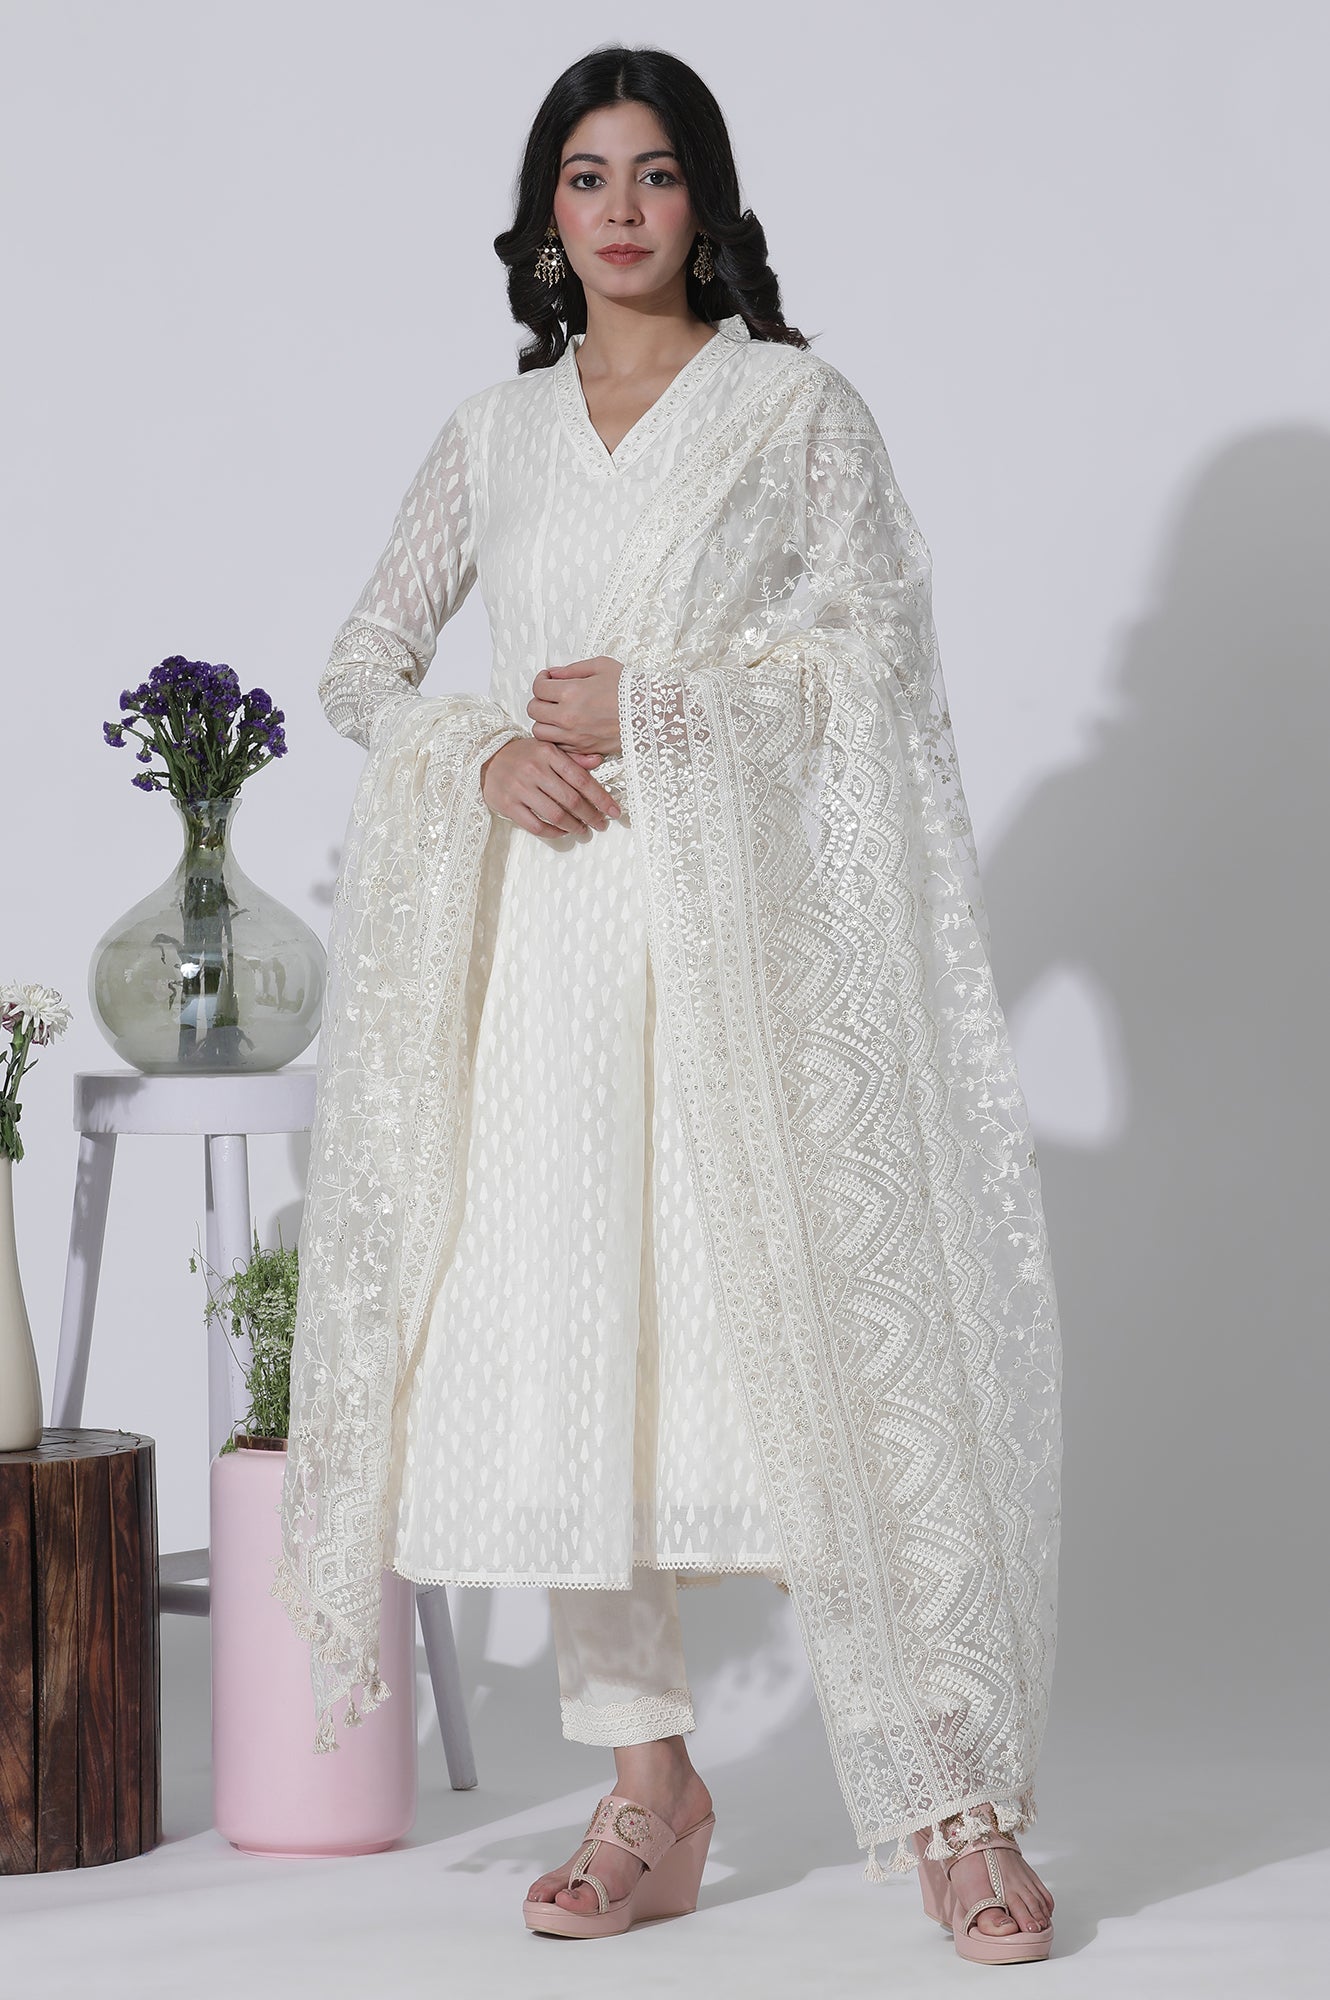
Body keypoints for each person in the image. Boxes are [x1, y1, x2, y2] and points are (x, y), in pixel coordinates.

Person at [274, 45, 1062, 1967]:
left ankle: (954, 1800)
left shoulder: (792, 408)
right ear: (544, 216)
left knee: (823, 1351)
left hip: (738, 956)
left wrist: (667, 705)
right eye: (583, 175)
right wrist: (477, 753)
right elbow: (365, 664)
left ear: (704, 199)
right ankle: (650, 1792)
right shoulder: (492, 434)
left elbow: (878, 657)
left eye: (651, 172)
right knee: (582, 1357)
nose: (618, 207)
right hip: (551, 957)